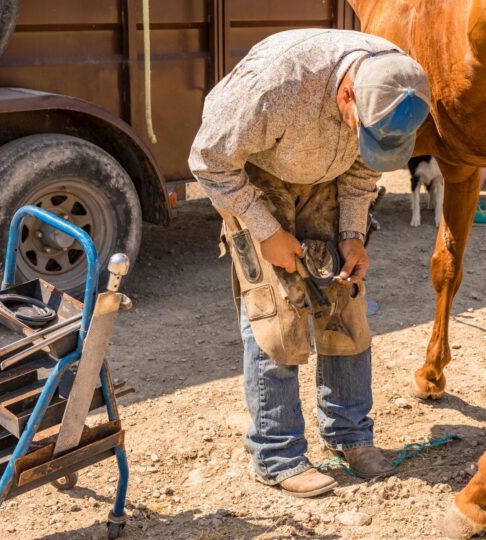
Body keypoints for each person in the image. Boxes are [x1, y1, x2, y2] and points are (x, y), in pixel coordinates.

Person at [189, 28, 430, 498]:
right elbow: (209, 161)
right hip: (254, 178)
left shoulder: (400, 87)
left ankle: (350, 435)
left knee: (346, 303)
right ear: (346, 94)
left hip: (327, 177)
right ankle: (276, 454)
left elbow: (365, 167)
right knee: (276, 314)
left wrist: (353, 236)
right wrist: (267, 230)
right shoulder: (278, 86)